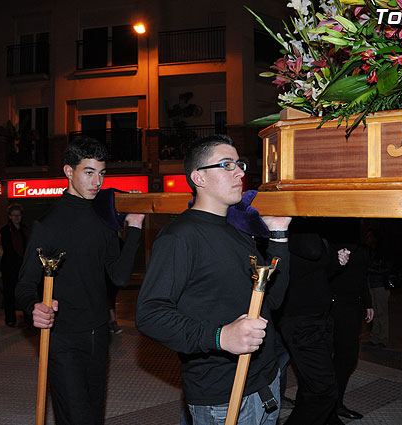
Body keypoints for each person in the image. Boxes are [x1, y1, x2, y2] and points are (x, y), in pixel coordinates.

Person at [136, 134, 291, 425]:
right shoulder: (179, 236)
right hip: (222, 395)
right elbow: (149, 314)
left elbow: (271, 300)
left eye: (239, 164)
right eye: (227, 164)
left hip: (265, 381)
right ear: (198, 178)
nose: (240, 172)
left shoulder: (239, 232)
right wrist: (220, 337)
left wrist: (279, 236)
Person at [16, 136, 145, 425]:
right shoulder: (47, 226)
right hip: (62, 337)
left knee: (93, 415)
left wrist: (134, 228)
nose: (96, 181)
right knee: (76, 417)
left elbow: (120, 277)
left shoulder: (104, 217)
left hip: (99, 334)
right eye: (88, 172)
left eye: (101, 173)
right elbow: (24, 285)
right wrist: (33, 306)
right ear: (68, 172)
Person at [278, 219, 349, 425]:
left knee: (312, 387)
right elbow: (312, 252)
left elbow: (316, 272)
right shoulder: (297, 233)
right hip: (302, 322)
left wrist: (337, 262)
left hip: (320, 319)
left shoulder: (311, 236)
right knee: (324, 390)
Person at [330, 241, 374, 421]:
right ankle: (328, 406)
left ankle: (336, 403)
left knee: (348, 359)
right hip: (333, 307)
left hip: (353, 308)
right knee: (329, 360)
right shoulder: (332, 244)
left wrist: (367, 303)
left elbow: (363, 278)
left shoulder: (361, 248)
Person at [0, 203, 29, 327]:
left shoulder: (25, 230)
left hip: (23, 267)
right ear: (9, 217)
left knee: (25, 293)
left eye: (18, 215)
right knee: (9, 294)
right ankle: (10, 319)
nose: (16, 217)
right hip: (9, 267)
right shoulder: (5, 231)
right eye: (14, 215)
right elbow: (5, 250)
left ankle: (27, 318)